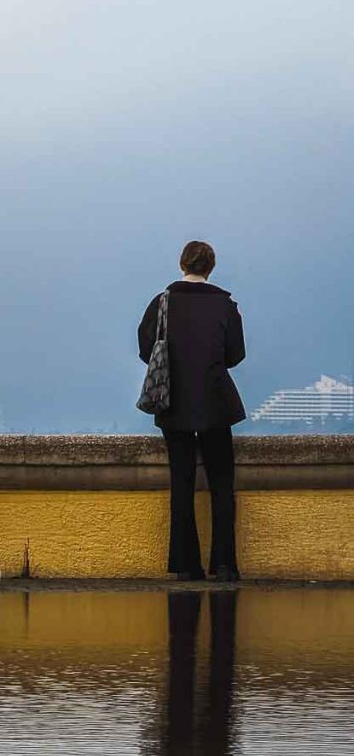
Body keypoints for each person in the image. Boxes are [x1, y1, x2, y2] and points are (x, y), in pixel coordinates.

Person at [138, 241, 246, 581]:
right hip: (215, 402)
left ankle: (186, 564)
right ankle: (225, 565)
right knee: (221, 483)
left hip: (175, 401)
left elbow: (146, 349)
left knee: (181, 482)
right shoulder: (225, 305)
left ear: (182, 263)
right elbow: (235, 355)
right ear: (210, 267)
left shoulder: (163, 302)